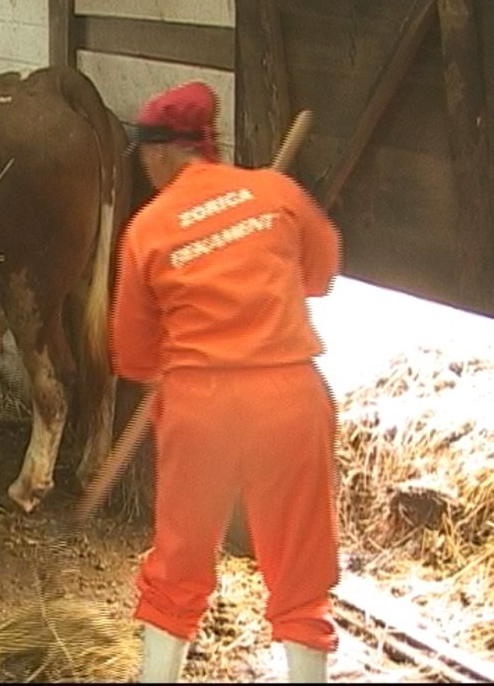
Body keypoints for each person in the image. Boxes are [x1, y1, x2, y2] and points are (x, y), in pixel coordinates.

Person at [109, 81, 342, 683]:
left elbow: (132, 356)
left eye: (142, 156)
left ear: (162, 154)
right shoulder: (276, 192)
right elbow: (321, 270)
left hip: (202, 407)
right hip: (288, 397)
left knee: (177, 568)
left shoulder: (148, 227)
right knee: (300, 572)